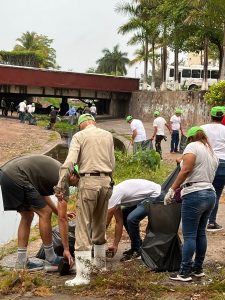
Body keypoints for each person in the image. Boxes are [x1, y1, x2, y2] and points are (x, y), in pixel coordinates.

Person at [55, 113, 115, 286]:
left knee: (83, 227)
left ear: (81, 124)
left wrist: (60, 185)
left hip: (88, 181)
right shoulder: (108, 135)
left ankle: (83, 276)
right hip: (106, 182)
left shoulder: (79, 136)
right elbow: (112, 162)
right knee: (99, 223)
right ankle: (99, 265)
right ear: (94, 122)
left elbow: (69, 162)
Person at [164, 127, 218, 282]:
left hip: (194, 194)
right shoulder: (210, 151)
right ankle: (198, 268)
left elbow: (186, 169)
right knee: (201, 233)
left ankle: (184, 272)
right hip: (210, 193)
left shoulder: (192, 146)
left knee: (189, 236)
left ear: (190, 138)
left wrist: (172, 189)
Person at [0, 155, 70, 271]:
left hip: (6, 175)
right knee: (45, 213)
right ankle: (51, 257)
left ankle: (21, 262)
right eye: (75, 182)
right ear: (73, 175)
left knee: (27, 216)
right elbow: (62, 218)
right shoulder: (64, 178)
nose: (73, 185)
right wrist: (66, 248)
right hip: (18, 175)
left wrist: (58, 212)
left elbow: (43, 196)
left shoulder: (58, 171)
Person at [107, 179, 161, 260]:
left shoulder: (114, 194)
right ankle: (138, 245)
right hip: (144, 197)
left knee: (132, 218)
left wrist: (97, 240)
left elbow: (105, 224)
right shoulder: (113, 196)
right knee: (125, 214)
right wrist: (115, 245)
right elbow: (119, 221)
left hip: (156, 195)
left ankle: (137, 250)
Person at [201, 106, 225, 232]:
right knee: (216, 193)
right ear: (222, 117)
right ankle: (211, 222)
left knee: (204, 191)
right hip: (222, 163)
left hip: (207, 162)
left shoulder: (203, 128)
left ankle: (200, 220)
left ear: (211, 115)